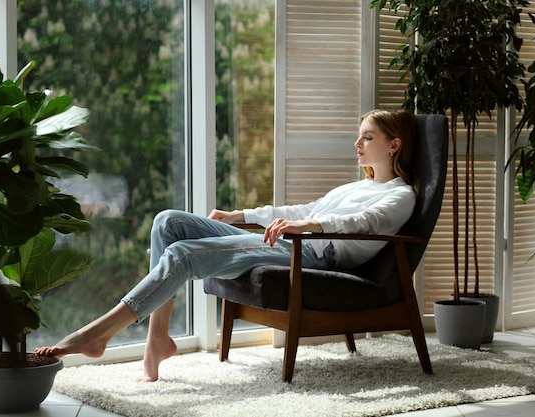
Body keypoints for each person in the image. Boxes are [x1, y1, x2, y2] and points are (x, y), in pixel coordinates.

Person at [35, 109, 418, 382]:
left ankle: (97, 334)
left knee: (181, 255)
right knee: (169, 222)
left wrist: (311, 224)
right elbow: (301, 208)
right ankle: (158, 339)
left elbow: (364, 224)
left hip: (315, 256)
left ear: (394, 144)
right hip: (290, 241)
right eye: (359, 135)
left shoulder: (402, 196)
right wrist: (240, 215)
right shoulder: (355, 187)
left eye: (368, 136)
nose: (357, 143)